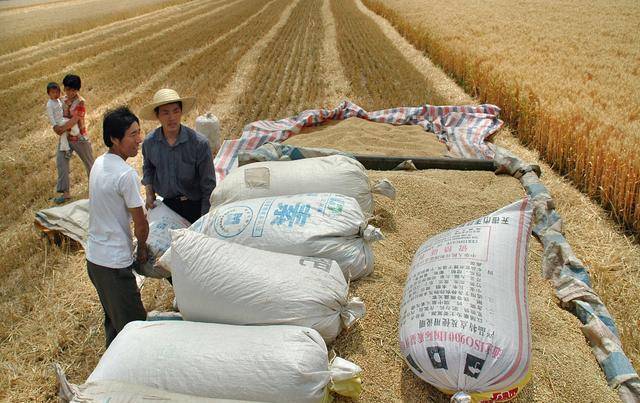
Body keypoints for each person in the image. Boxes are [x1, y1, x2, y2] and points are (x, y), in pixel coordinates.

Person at [86, 106, 148, 348]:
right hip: (113, 266)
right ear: (114, 138)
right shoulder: (126, 175)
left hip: (95, 261)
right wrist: (142, 249)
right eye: (132, 135)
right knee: (135, 329)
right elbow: (141, 223)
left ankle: (110, 373)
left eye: (139, 132)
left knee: (113, 320)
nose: (138, 140)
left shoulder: (99, 163)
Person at [140, 88, 215, 223]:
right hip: (167, 206)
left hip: (195, 205)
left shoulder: (199, 144)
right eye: (165, 113)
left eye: (176, 111)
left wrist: (204, 220)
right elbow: (148, 167)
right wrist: (149, 191)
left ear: (181, 112)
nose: (172, 118)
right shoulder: (150, 143)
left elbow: (208, 185)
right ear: (157, 116)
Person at [52, 74, 95, 204]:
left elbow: (75, 120)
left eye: (74, 90)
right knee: (61, 163)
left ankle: (96, 189)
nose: (71, 92)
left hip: (79, 138)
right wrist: (55, 127)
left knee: (90, 165)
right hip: (66, 138)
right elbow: (56, 116)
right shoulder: (62, 100)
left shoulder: (81, 102)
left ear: (77, 90)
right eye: (68, 89)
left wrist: (61, 129)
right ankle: (65, 194)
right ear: (64, 88)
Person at [45, 82, 80, 160]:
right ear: (48, 94)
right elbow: (50, 116)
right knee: (72, 123)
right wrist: (55, 125)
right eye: (53, 93)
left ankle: (67, 150)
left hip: (62, 119)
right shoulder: (49, 104)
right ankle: (77, 134)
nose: (56, 94)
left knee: (63, 136)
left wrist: (67, 103)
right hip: (59, 122)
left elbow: (63, 105)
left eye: (57, 92)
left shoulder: (58, 100)